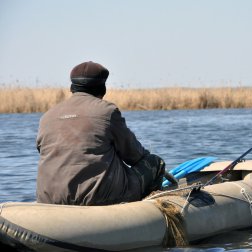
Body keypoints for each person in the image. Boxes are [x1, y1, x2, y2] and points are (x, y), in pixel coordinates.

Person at [36, 61, 165, 206]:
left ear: (72, 88)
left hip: (49, 201)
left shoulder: (47, 117)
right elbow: (134, 155)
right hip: (99, 199)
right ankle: (149, 214)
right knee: (155, 162)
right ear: (103, 89)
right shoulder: (107, 111)